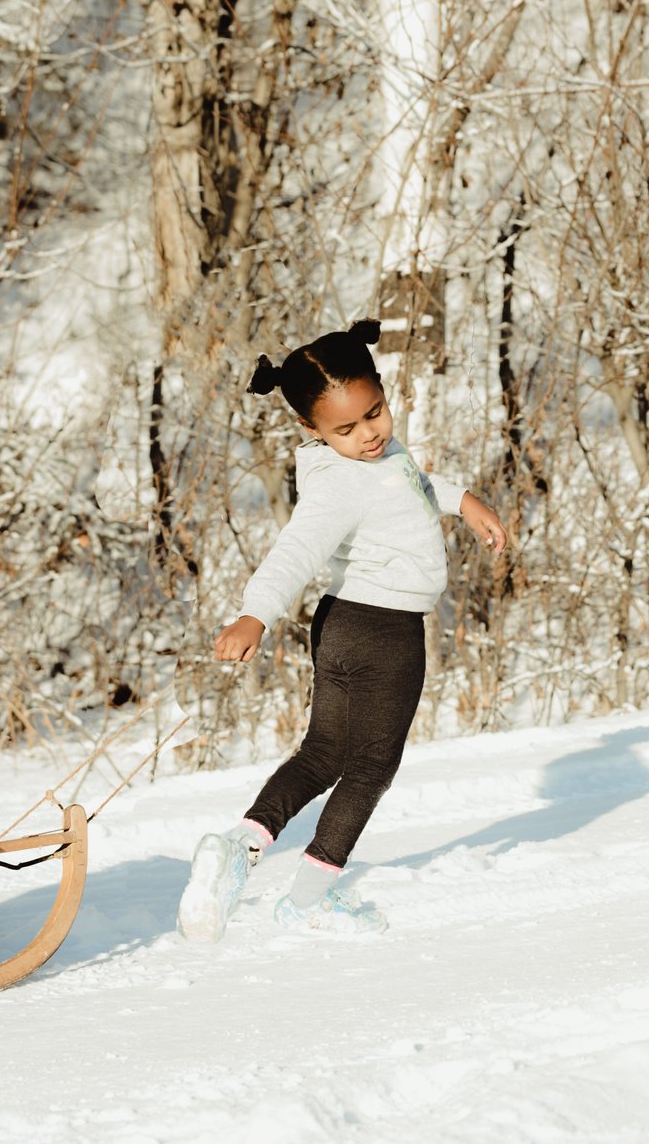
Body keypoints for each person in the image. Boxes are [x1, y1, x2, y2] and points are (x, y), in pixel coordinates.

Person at [177, 321, 509, 938]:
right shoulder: (339, 486)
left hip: (341, 623)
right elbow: (297, 549)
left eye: (375, 414)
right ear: (312, 430)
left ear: (381, 391)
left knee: (324, 753)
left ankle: (239, 846)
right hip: (384, 631)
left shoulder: (377, 457)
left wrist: (464, 501)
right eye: (346, 430)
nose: (369, 436)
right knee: (371, 767)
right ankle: (309, 900)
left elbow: (410, 485)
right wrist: (257, 612)